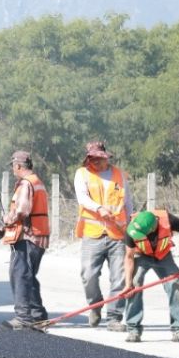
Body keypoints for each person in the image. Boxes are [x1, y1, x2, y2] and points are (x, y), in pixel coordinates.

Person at [73, 140, 132, 330]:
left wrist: (130, 228)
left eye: (99, 159)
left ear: (106, 157)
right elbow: (82, 198)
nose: (96, 162)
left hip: (118, 234)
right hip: (93, 233)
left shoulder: (119, 175)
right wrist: (99, 208)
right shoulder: (82, 174)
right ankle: (95, 305)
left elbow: (127, 203)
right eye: (92, 159)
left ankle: (114, 317)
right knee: (88, 275)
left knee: (120, 278)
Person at [0, 151, 51, 331]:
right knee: (28, 276)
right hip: (38, 235)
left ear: (18, 166)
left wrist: (6, 220)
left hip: (28, 237)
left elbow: (21, 211)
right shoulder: (37, 182)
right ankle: (38, 316)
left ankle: (23, 317)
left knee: (19, 275)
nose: (14, 169)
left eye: (14, 166)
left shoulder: (26, 184)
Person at [120, 209, 179, 343]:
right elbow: (129, 257)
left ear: (153, 227)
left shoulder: (169, 221)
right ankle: (133, 330)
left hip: (163, 256)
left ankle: (178, 329)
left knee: (175, 285)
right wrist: (128, 284)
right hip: (142, 255)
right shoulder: (131, 229)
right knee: (135, 286)